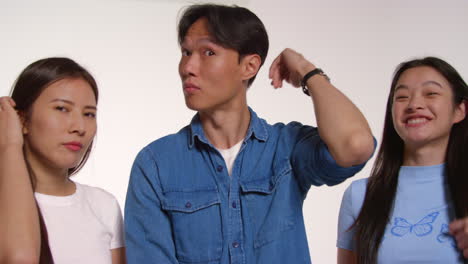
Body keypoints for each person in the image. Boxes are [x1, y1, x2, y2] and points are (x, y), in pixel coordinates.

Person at [125, 4, 375, 264]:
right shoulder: (156, 164)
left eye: (208, 52)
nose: (188, 66)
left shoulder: (286, 148)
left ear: (249, 66)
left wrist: (307, 72)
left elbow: (355, 145)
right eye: (186, 52)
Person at [337, 57, 468, 263]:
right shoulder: (360, 195)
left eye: (431, 93)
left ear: (460, 110)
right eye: (402, 97)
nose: (414, 104)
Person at [0, 57, 126, 264]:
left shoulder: (104, 206)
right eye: (61, 109)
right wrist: (9, 146)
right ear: (22, 120)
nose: (79, 126)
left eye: (89, 114)